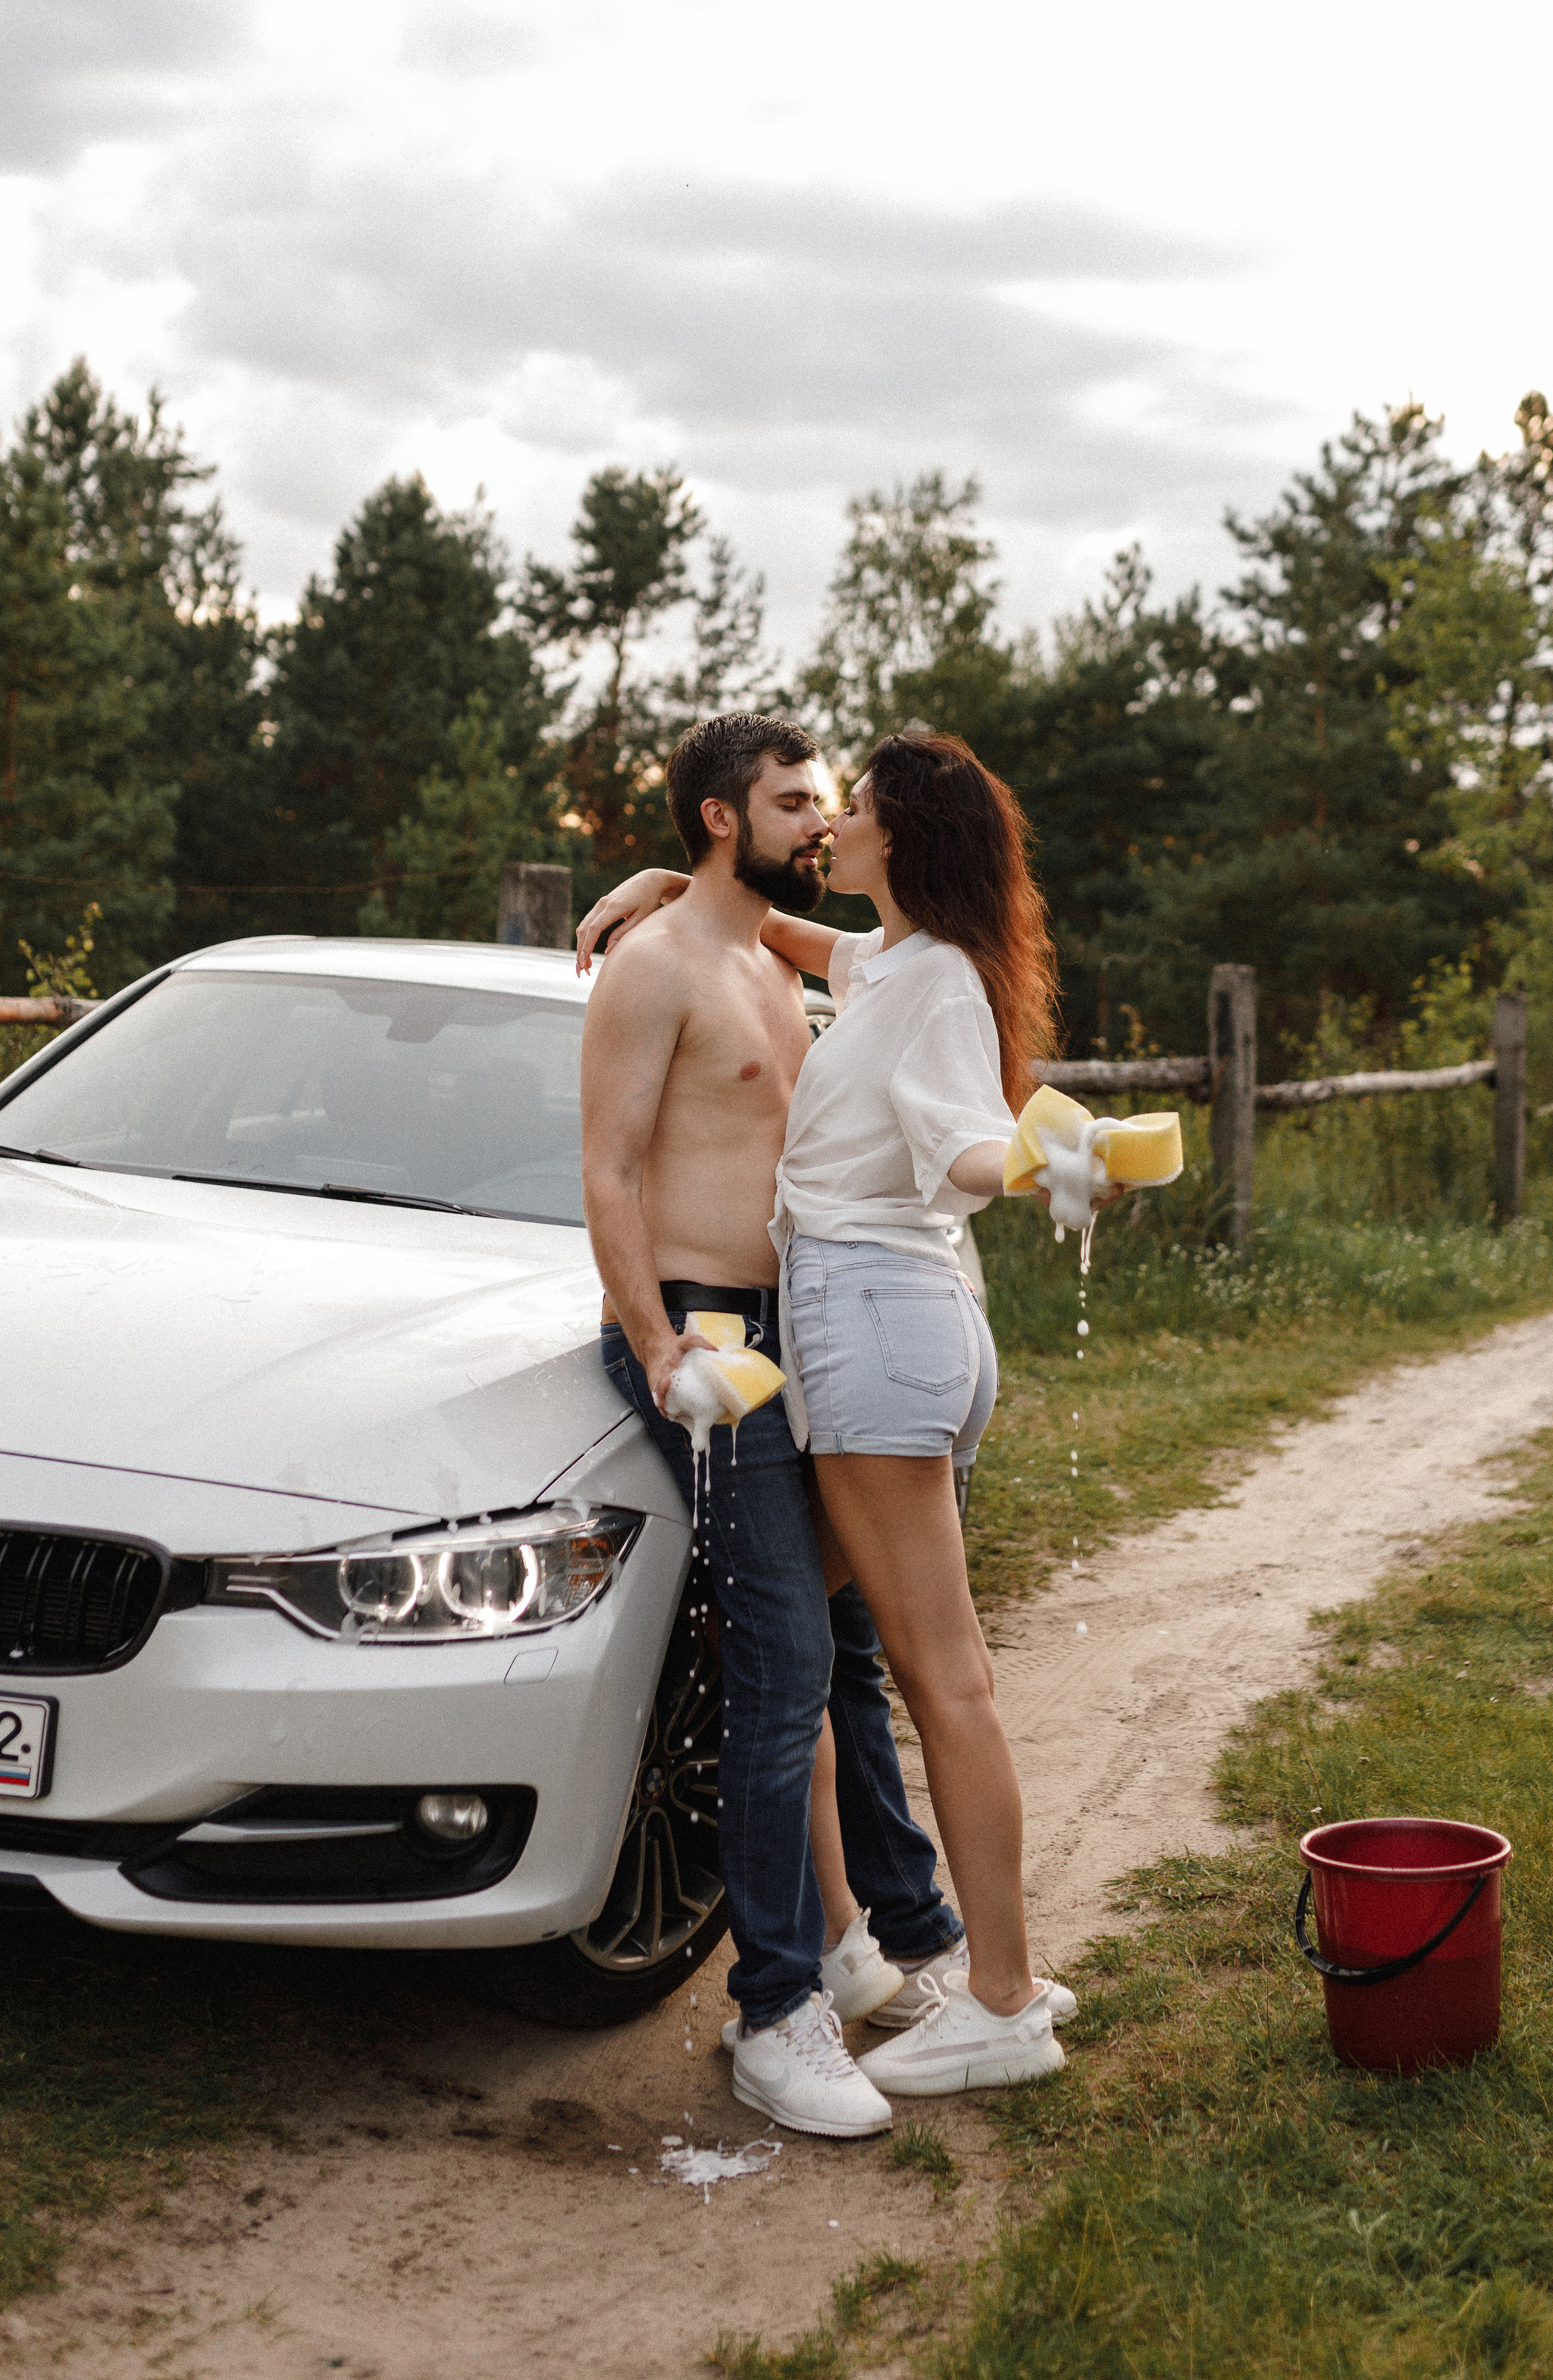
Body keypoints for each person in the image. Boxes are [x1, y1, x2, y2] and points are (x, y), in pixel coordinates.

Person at [584, 727, 1076, 2097]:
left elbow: (947, 1130)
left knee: (864, 1652)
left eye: (836, 802)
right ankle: (799, 1989)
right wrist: (658, 1344)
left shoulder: (833, 969)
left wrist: (1045, 1163)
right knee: (803, 1647)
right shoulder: (680, 965)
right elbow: (611, 1170)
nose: (822, 821)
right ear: (722, 818)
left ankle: (912, 1951)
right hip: (734, 1333)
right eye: (797, 801)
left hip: (836, 1326)